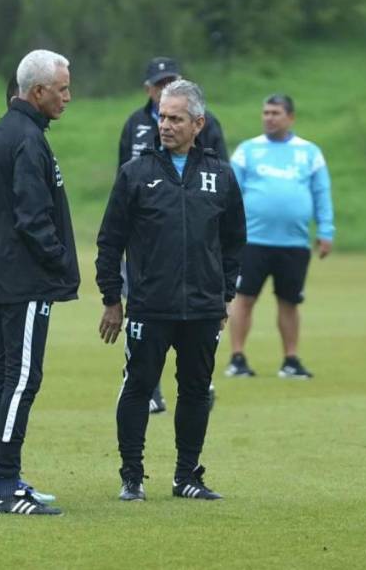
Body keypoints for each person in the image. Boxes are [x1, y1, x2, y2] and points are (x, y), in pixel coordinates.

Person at [97, 79, 246, 502]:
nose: (165, 125)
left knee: (196, 391)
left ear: (198, 124)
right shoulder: (135, 173)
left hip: (202, 307)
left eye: (175, 118)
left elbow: (234, 240)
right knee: (138, 387)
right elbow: (110, 241)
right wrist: (112, 298)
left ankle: (186, 477)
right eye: (162, 117)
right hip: (149, 305)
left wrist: (224, 295)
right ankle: (132, 477)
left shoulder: (220, 175)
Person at [0, 49, 79, 516]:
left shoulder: (1, 136)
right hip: (21, 282)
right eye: (62, 89)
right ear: (38, 92)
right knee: (18, 379)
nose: (68, 97)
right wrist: (57, 261)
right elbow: (32, 217)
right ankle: (1, 486)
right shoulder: (25, 140)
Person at [117, 56, 229, 414]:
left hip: (194, 237)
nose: (165, 89)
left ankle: (200, 379)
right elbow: (124, 176)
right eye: (159, 84)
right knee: (146, 316)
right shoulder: (134, 124)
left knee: (197, 314)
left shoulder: (206, 123)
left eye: (171, 81)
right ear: (148, 89)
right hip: (149, 242)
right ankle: (148, 387)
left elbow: (221, 180)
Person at [224, 94, 334, 380]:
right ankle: (237, 358)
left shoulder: (309, 152)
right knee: (243, 298)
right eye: (266, 112)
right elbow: (230, 193)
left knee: (289, 301)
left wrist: (326, 230)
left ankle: (291, 360)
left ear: (290, 117)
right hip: (252, 241)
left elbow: (321, 192)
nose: (269, 118)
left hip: (294, 243)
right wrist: (226, 230)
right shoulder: (247, 150)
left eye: (275, 113)